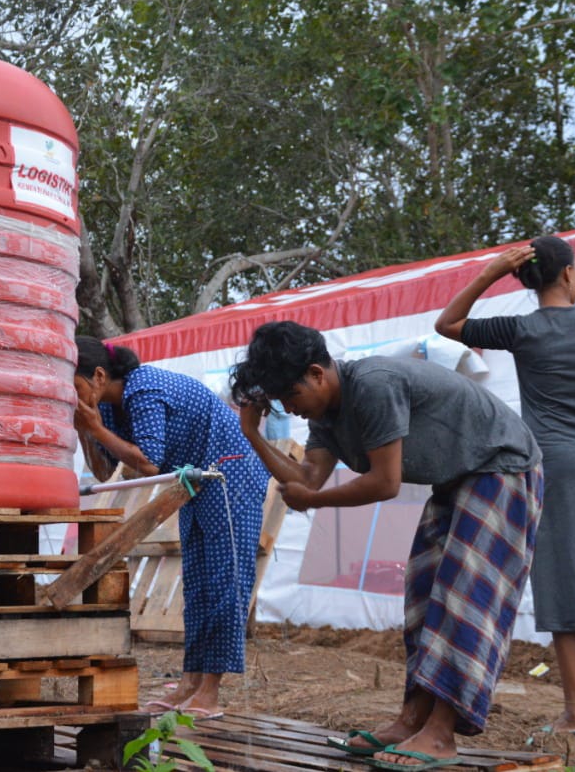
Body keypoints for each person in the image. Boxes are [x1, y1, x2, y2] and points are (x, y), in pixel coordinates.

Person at [230, 320, 543, 769]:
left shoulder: (374, 385)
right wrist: (253, 434)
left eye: (290, 396)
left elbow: (384, 482)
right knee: (423, 592)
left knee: (462, 594)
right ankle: (413, 718)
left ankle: (440, 733)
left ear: (318, 374)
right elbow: (306, 478)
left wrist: (314, 500)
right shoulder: (326, 415)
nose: (289, 408)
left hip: (503, 468)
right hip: (457, 478)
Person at [435, 235, 575, 742]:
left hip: (552, 462)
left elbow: (447, 325)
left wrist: (489, 273)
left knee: (563, 581)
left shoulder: (522, 328)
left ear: (527, 281)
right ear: (570, 273)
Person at [72, 335, 269, 720]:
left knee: (225, 581)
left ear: (98, 375)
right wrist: (85, 428)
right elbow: (104, 471)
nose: (73, 398)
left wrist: (94, 427)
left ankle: (209, 692)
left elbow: (148, 462)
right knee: (196, 584)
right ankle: (189, 683)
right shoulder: (108, 408)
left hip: (232, 472)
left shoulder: (143, 389)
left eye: (75, 388)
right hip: (197, 482)